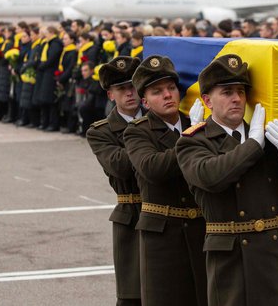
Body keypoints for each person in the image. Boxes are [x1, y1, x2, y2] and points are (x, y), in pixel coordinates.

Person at [176, 54, 278, 306]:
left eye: (241, 92)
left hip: (276, 255)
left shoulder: (268, 137)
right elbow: (211, 176)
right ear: (207, 100)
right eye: (227, 92)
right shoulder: (193, 141)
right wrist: (253, 144)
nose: (237, 99)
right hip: (231, 258)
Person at [123, 55, 207, 306]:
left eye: (171, 88)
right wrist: (192, 137)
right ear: (145, 101)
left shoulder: (197, 122)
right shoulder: (137, 131)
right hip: (162, 234)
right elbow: (153, 168)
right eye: (158, 92)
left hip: (201, 228)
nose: (168, 95)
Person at [87, 56, 144, 306]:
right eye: (122, 89)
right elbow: (120, 166)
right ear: (111, 95)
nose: (129, 93)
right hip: (132, 214)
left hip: (171, 210)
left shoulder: (166, 120)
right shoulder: (101, 131)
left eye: (133, 86)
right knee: (132, 294)